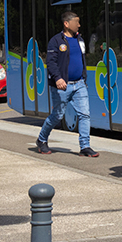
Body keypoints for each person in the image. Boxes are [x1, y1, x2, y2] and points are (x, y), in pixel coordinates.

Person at [36, 11, 97, 157]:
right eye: (76, 21)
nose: (79, 25)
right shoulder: (56, 41)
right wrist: (58, 78)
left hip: (79, 84)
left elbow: (81, 59)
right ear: (66, 23)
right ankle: (41, 140)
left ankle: (85, 146)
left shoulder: (79, 40)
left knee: (84, 115)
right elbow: (50, 62)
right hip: (62, 86)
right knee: (57, 115)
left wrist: (83, 76)